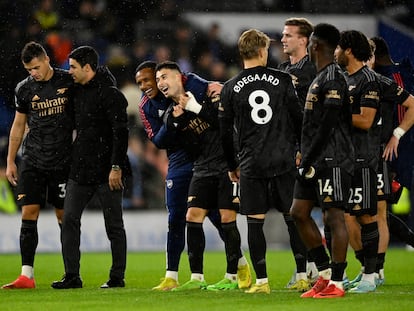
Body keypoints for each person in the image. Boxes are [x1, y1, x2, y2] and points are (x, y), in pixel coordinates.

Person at [135, 61, 250, 291]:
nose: (147, 85)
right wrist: (174, 122)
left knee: (219, 217)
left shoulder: (192, 84)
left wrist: (217, 88)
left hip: (209, 156)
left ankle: (239, 265)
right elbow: (159, 141)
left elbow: (212, 94)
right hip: (180, 159)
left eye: (151, 79)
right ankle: (173, 276)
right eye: (142, 82)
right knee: (179, 216)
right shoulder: (148, 106)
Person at [220, 29, 303, 294]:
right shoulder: (283, 79)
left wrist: (232, 165)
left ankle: (262, 282)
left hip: (251, 163)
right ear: (261, 51)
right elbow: (298, 117)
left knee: (255, 222)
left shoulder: (230, 87)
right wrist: (300, 148)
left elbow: (224, 132)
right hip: (283, 159)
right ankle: (303, 274)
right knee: (294, 219)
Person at [51, 46, 129, 289]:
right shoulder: (75, 92)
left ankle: (117, 277)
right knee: (70, 219)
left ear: (88, 68)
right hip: (80, 169)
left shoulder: (111, 94)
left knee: (113, 224)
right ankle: (72, 276)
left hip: (107, 170)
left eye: (73, 66)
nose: (69, 71)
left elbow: (121, 133)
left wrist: (116, 166)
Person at [289, 23, 354, 299]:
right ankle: (325, 274)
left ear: (315, 45)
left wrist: (309, 156)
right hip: (314, 157)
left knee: (333, 215)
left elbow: (328, 124)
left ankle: (337, 282)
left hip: (334, 158)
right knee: (298, 212)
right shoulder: (319, 76)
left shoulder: (334, 77)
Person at [1, 42, 73, 289]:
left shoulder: (67, 81)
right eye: (29, 69)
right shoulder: (24, 88)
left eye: (35, 67)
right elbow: (18, 125)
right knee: (28, 213)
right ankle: (26, 275)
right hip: (32, 159)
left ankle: (70, 272)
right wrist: (11, 160)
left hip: (62, 160)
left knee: (64, 216)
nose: (33, 73)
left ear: (45, 59)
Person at [345, 39, 414, 288]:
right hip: (354, 156)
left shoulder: (384, 81)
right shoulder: (355, 80)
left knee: (377, 213)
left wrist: (396, 136)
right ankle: (367, 267)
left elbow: (409, 105)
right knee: (352, 214)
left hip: (381, 155)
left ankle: (376, 271)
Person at [335, 30, 382, 293]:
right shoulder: (344, 78)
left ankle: (371, 276)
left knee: (365, 215)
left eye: (339, 48)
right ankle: (365, 270)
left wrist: (334, 113)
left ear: (349, 50)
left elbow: (365, 120)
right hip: (346, 157)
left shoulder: (368, 80)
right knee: (347, 215)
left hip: (364, 158)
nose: (335, 53)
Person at [278, 17, 318, 291]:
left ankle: (370, 268)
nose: (282, 39)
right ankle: (308, 266)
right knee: (295, 211)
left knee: (329, 211)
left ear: (303, 40)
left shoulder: (314, 70)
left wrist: (306, 148)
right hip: (287, 150)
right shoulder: (281, 70)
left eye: (288, 35)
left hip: (313, 149)